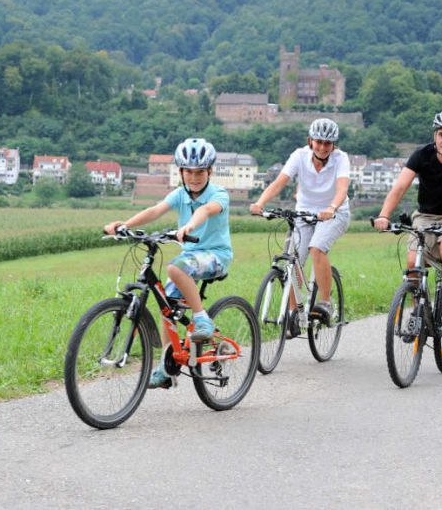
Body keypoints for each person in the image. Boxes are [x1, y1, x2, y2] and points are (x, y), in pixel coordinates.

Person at [104, 137, 232, 389]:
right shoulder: (179, 194)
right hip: (190, 257)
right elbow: (155, 210)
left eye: (199, 172)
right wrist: (124, 225)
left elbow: (205, 211)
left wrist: (188, 227)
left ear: (210, 171)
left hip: (216, 256)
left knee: (175, 267)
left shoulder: (219, 194)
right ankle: (167, 361)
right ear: (181, 172)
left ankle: (202, 318)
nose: (194, 177)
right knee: (166, 304)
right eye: (188, 172)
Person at [373, 109, 442, 332]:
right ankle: (417, 312)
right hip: (425, 216)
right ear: (435, 136)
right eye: (441, 135)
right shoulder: (421, 155)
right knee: (413, 262)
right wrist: (384, 215)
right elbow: (400, 187)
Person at [249, 118, 351, 326]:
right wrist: (259, 203)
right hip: (304, 214)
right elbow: (279, 183)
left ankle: (325, 303)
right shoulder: (299, 156)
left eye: (327, 143)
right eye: (318, 142)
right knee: (294, 260)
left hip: (334, 213)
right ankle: (294, 314)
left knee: (317, 248)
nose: (322, 147)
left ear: (334, 145)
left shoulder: (341, 159)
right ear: (310, 141)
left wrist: (331, 208)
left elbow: (342, 189)